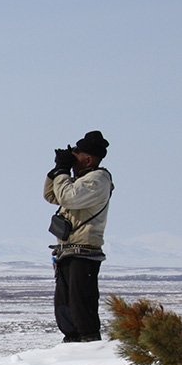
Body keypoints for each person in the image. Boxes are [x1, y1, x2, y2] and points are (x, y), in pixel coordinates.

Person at [43, 130, 113, 342]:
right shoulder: (79, 180)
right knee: (65, 306)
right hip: (67, 253)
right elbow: (51, 195)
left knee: (82, 304)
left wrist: (64, 169)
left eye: (77, 155)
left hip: (84, 253)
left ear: (89, 158)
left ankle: (89, 343)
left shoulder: (98, 180)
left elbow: (68, 197)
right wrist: (57, 170)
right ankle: (72, 342)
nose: (73, 159)